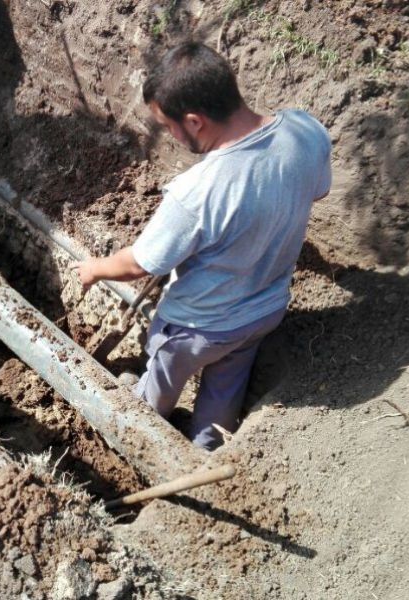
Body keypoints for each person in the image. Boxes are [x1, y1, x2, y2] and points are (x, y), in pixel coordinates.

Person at [72, 41, 332, 450]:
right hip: (263, 312)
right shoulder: (306, 131)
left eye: (168, 126)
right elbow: (315, 192)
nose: (170, 135)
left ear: (194, 121)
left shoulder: (197, 191)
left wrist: (94, 268)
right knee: (225, 386)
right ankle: (206, 444)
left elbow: (141, 263)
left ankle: (140, 422)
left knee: (162, 378)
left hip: (197, 328)